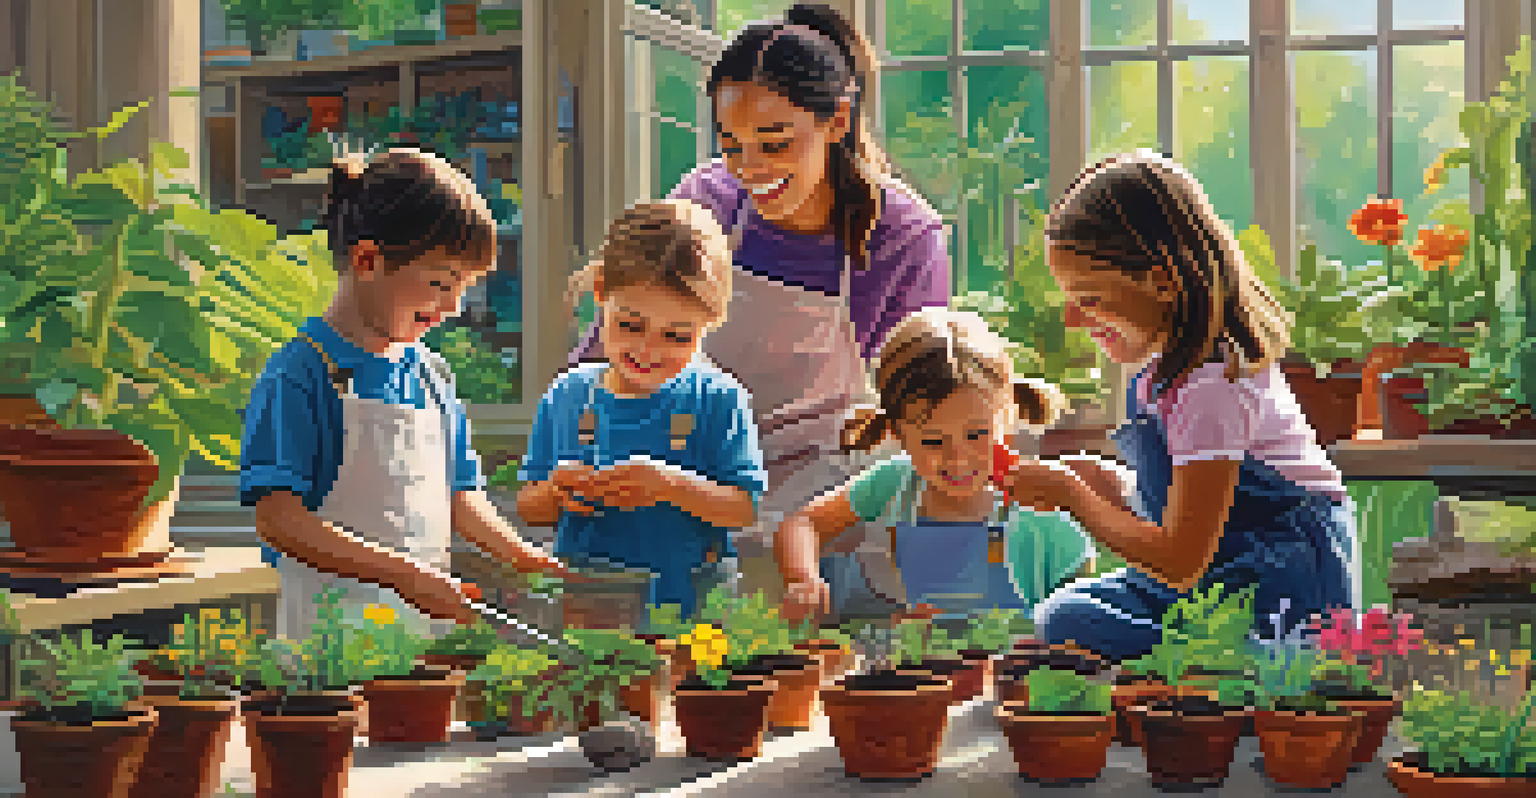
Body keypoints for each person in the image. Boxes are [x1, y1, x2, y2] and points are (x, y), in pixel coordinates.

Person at [569, 3, 950, 617]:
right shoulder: (707, 201)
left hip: (828, 489)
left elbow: (922, 401)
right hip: (696, 464)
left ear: (837, 121)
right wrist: (578, 443)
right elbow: (609, 345)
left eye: (774, 143)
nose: (750, 169)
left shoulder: (901, 235)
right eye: (732, 146)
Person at [1003, 151, 1361, 662]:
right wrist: (1108, 484)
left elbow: (1178, 558)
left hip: (1278, 584)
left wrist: (1073, 498)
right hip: (1216, 577)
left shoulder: (1211, 386)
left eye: (1090, 299)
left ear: (1164, 281)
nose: (1074, 321)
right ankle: (1206, 660)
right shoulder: (1163, 375)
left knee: (1071, 624)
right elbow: (1197, 505)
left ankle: (1262, 661)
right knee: (1065, 613)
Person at [240, 148, 574, 641]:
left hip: (422, 642)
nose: (453, 307)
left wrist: (524, 558)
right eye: (441, 283)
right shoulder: (301, 373)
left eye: (463, 289)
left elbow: (463, 498)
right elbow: (279, 520)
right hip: (328, 647)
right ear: (368, 260)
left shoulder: (430, 376)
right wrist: (405, 575)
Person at [516, 200, 767, 621]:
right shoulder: (568, 394)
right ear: (600, 296)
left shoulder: (719, 399)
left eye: (676, 336)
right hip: (590, 613)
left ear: (711, 322)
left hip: (691, 617)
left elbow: (744, 507)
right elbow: (530, 507)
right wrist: (556, 492)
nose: (648, 350)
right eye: (630, 326)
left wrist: (670, 486)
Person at [776, 307, 1097, 625]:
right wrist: (804, 579)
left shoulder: (1039, 503)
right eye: (933, 441)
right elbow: (803, 524)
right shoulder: (897, 482)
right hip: (922, 666)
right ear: (898, 433)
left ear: (1007, 418)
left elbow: (1080, 608)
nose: (957, 458)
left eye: (976, 435)